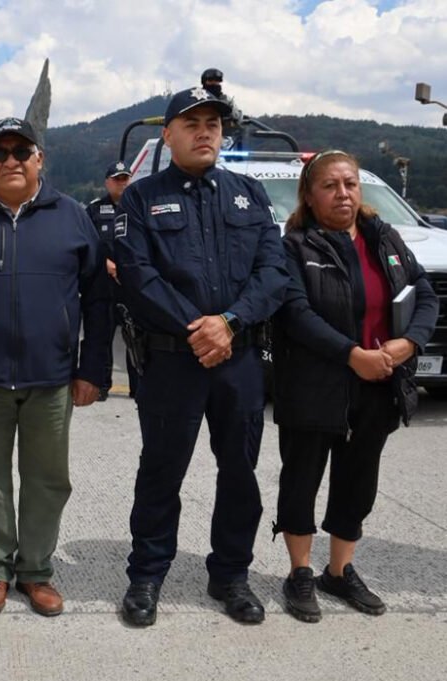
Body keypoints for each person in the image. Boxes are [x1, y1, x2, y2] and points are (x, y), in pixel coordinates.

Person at [114, 87, 288, 626]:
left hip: (238, 360)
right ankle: (146, 575)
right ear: (167, 135)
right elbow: (138, 277)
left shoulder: (249, 195)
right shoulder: (141, 198)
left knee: (240, 471)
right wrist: (200, 329)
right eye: (191, 123)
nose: (205, 131)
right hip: (172, 360)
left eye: (212, 123)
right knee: (162, 471)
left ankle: (230, 575)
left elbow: (274, 272)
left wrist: (229, 322)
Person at [0, 117, 109, 617]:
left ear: (40, 159)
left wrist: (91, 370)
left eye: (21, 151)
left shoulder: (73, 217)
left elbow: (98, 298)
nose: (10, 160)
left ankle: (35, 571)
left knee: (48, 479)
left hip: (52, 377)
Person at [271, 150, 437, 622]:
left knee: (358, 481)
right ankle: (300, 572)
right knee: (301, 479)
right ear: (309, 194)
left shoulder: (382, 236)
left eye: (350, 184)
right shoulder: (295, 246)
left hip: (379, 384)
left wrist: (409, 344)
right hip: (315, 384)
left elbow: (422, 291)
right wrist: (352, 355)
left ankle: (339, 572)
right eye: (330, 185)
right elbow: (294, 313)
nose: (342, 193)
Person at [86, 161, 138, 399]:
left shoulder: (139, 207)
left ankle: (138, 387)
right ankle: (102, 385)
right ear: (107, 182)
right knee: (102, 336)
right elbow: (86, 242)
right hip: (104, 285)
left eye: (125, 178)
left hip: (131, 286)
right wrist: (104, 262)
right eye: (117, 179)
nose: (122, 182)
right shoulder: (95, 210)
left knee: (135, 337)